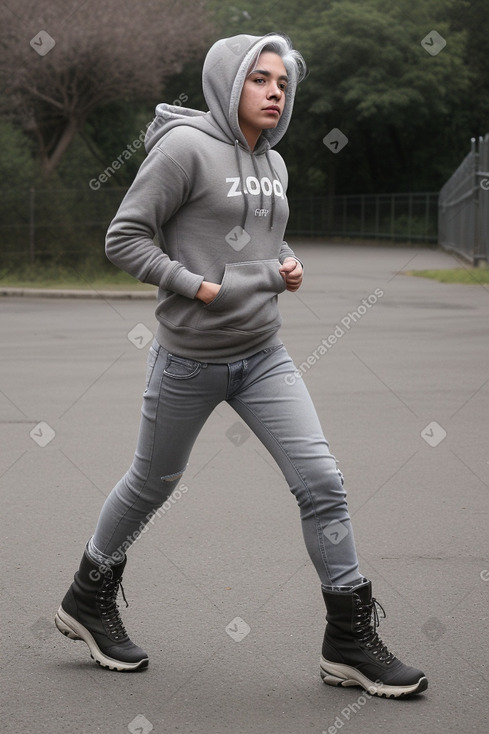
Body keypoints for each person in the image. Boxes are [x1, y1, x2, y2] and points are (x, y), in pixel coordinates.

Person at [55, 32, 428, 699]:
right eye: (260, 79)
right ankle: (87, 596)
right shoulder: (184, 148)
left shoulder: (275, 165)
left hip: (264, 354)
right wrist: (195, 285)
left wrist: (282, 264)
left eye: (282, 83)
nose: (274, 92)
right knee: (151, 485)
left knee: (321, 480)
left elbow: (260, 237)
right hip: (190, 359)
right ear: (229, 82)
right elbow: (124, 236)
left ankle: (346, 639)